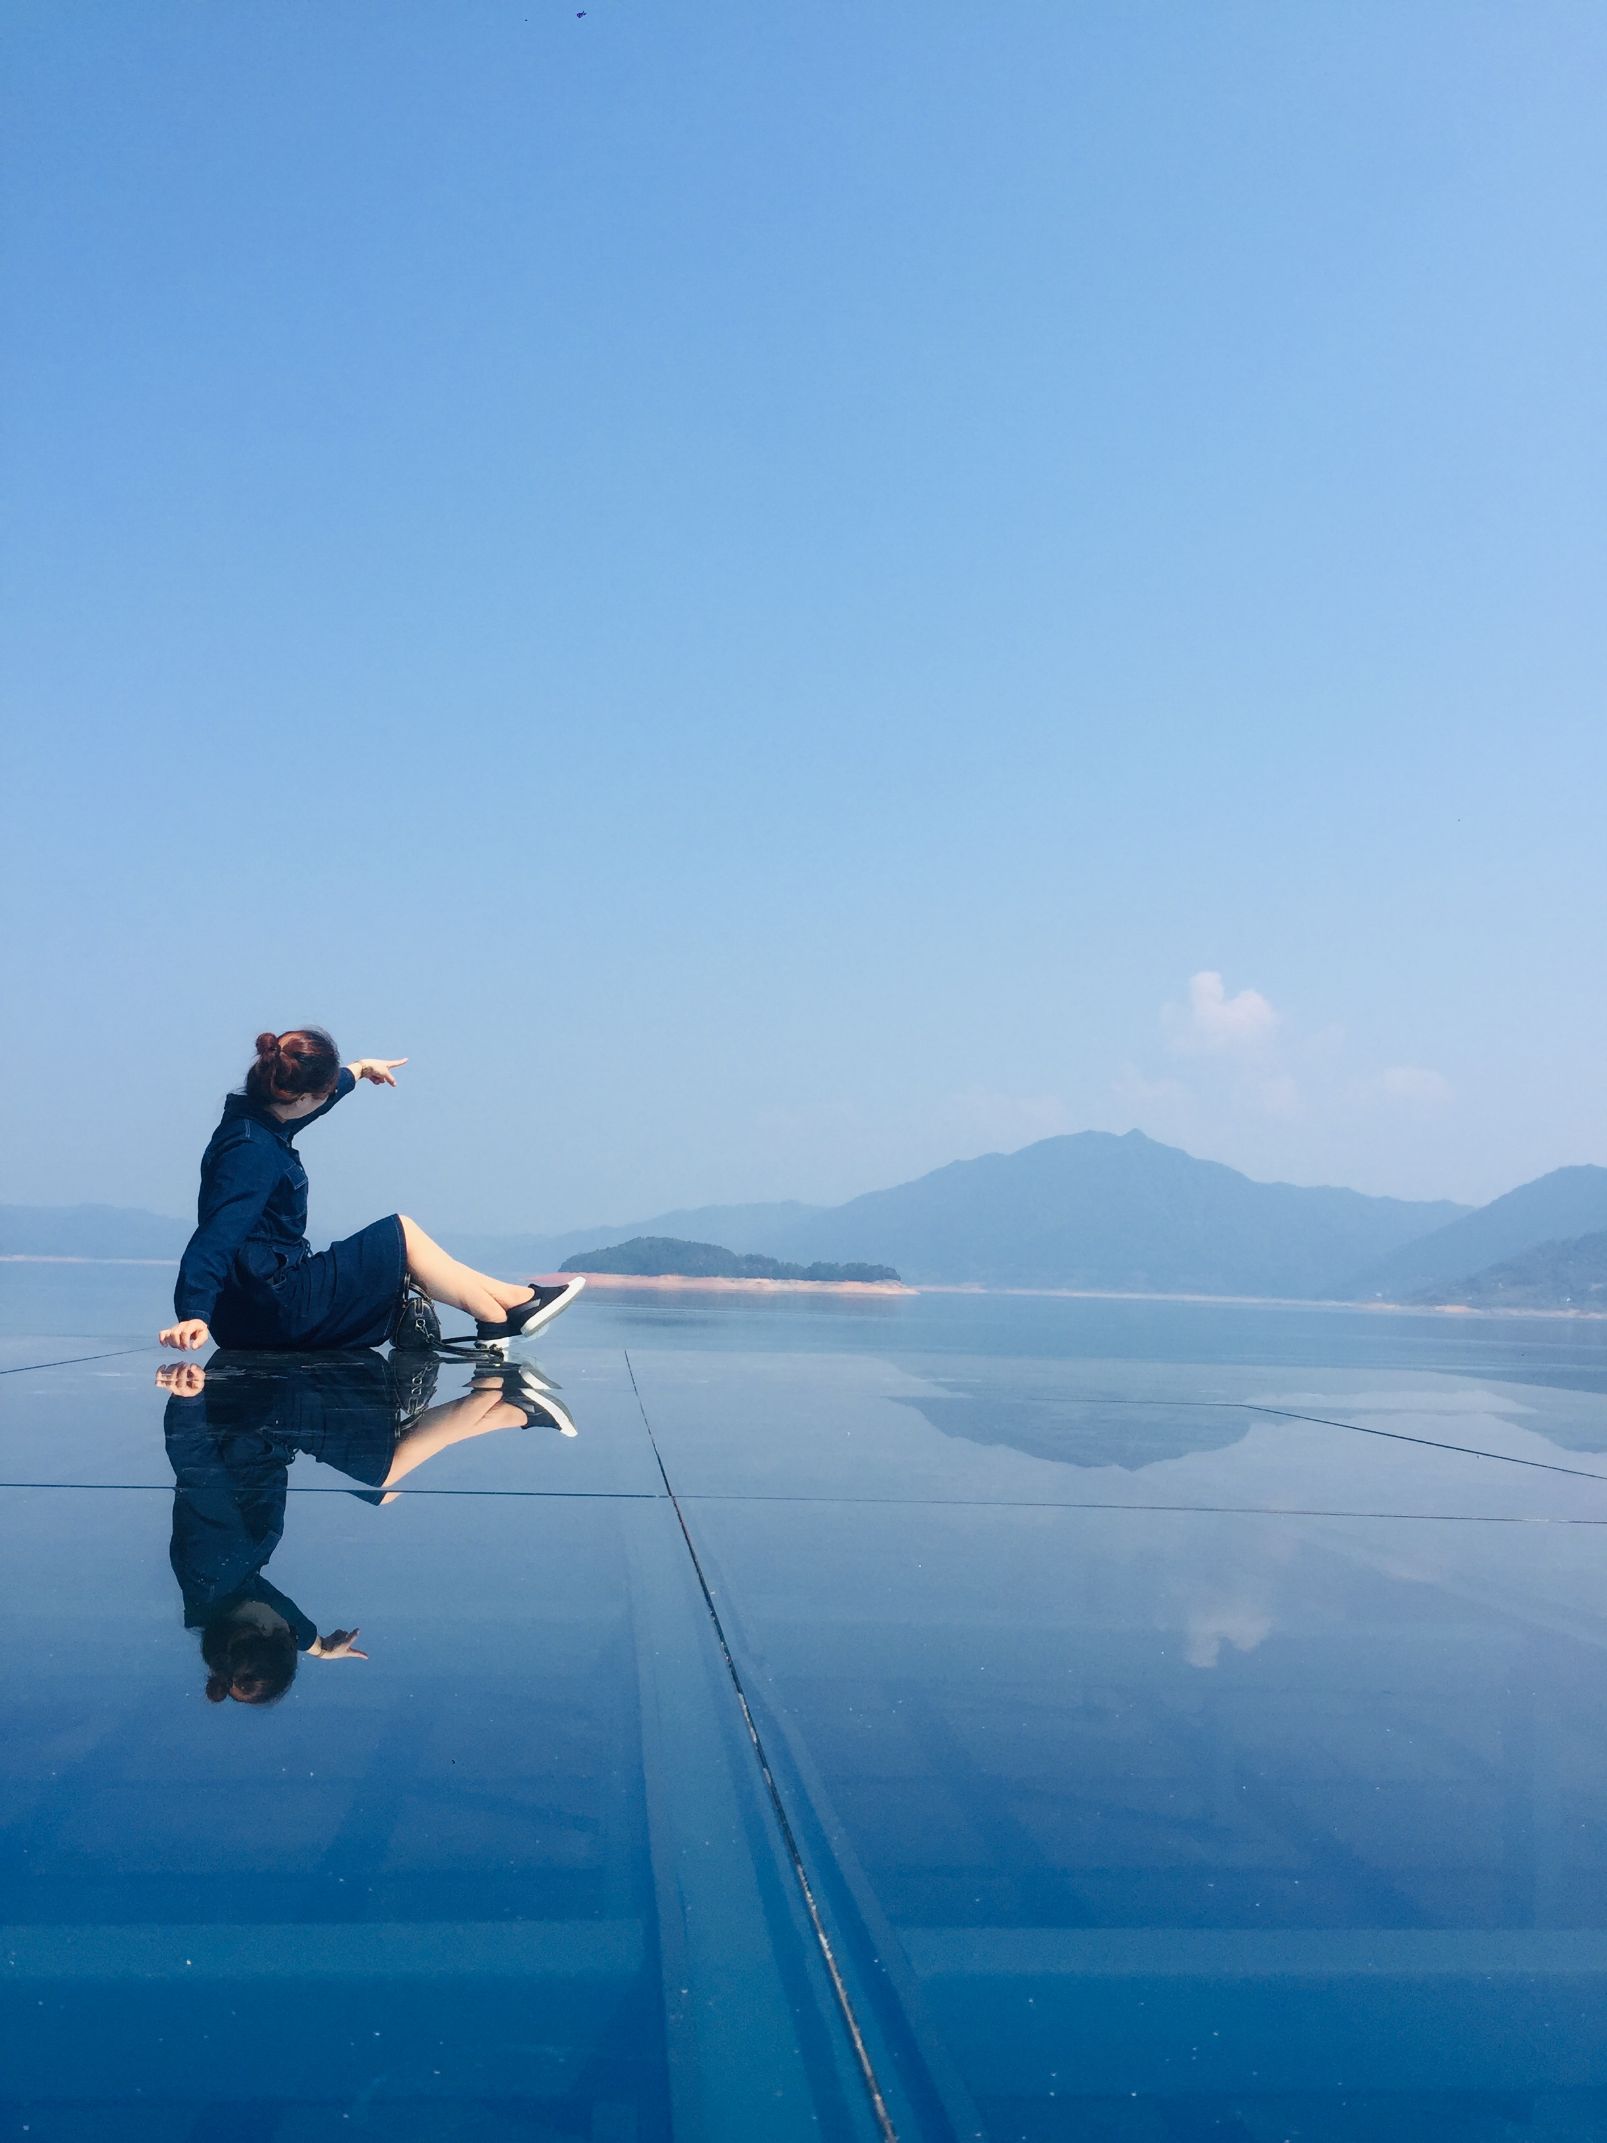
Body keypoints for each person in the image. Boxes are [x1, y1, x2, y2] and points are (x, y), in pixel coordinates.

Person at [158, 1348, 579, 1703]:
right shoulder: (224, 1600)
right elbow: (278, 1609)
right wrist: (319, 1647)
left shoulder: (217, 1561)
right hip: (265, 1423)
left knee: (382, 1476)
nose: (289, 1623)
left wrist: (186, 1402)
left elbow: (196, 1470)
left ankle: (498, 1393)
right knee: (379, 1480)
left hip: (262, 1409)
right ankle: (513, 1409)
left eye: (288, 1634)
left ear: (268, 1630)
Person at [158, 1027, 582, 1354]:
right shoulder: (250, 1152)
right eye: (322, 1094)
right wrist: (194, 1312)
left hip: (260, 1302)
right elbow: (217, 1234)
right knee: (400, 1233)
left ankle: (505, 1310)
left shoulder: (258, 1119)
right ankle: (505, 1307)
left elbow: (313, 1104)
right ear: (300, 1097)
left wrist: (359, 1070)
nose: (325, 1100)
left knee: (401, 1236)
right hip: (269, 1310)